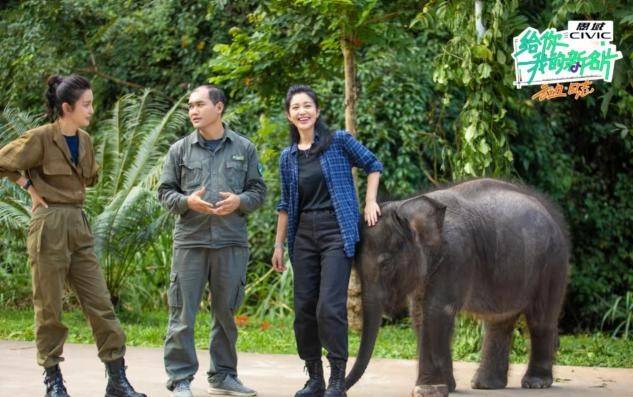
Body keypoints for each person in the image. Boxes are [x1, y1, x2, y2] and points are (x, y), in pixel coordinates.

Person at [0, 74, 146, 397]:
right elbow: (3, 161)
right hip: (48, 224)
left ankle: (117, 379)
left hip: (78, 225)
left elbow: (90, 178)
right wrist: (29, 187)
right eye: (87, 104)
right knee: (49, 306)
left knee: (100, 303)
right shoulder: (40, 138)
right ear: (66, 107)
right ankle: (53, 380)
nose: (91, 110)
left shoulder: (85, 140)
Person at [271, 85, 382, 397]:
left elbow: (373, 164)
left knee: (329, 307)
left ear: (317, 111)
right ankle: (315, 378)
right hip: (302, 235)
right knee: (304, 308)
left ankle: (337, 380)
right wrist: (279, 245)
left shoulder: (339, 142)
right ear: (289, 115)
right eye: (296, 107)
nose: (302, 111)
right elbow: (285, 203)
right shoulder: (287, 157)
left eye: (308, 106)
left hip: (336, 232)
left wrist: (370, 202)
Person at [158, 85, 267, 397]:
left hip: (231, 242)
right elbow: (164, 192)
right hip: (190, 242)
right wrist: (186, 202)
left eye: (200, 104)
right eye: (190, 105)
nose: (193, 110)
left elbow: (258, 190)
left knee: (225, 313)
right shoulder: (179, 150)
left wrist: (240, 201)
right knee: (182, 313)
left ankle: (223, 376)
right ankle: (180, 379)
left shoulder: (244, 148)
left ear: (219, 107)